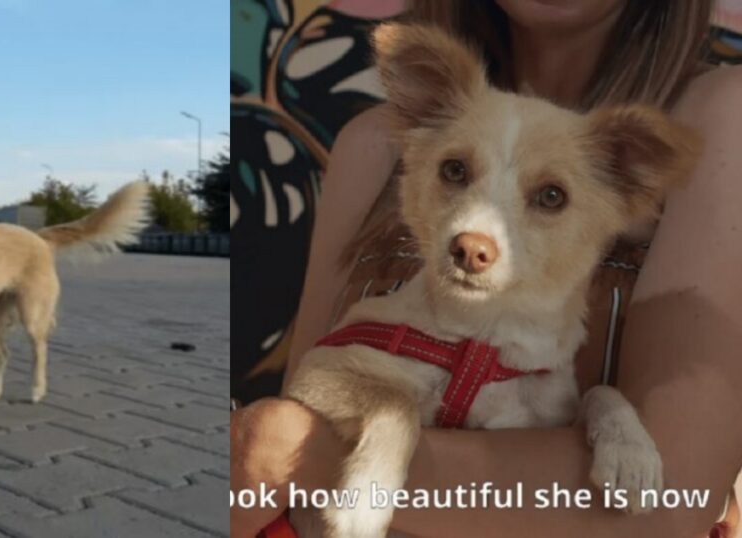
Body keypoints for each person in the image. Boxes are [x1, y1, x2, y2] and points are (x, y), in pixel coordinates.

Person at [230, 1, 742, 537]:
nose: (478, 240)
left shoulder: (709, 122)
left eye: (549, 196)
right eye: (455, 171)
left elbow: (664, 506)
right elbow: (285, 440)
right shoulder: (375, 142)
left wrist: (325, 459)